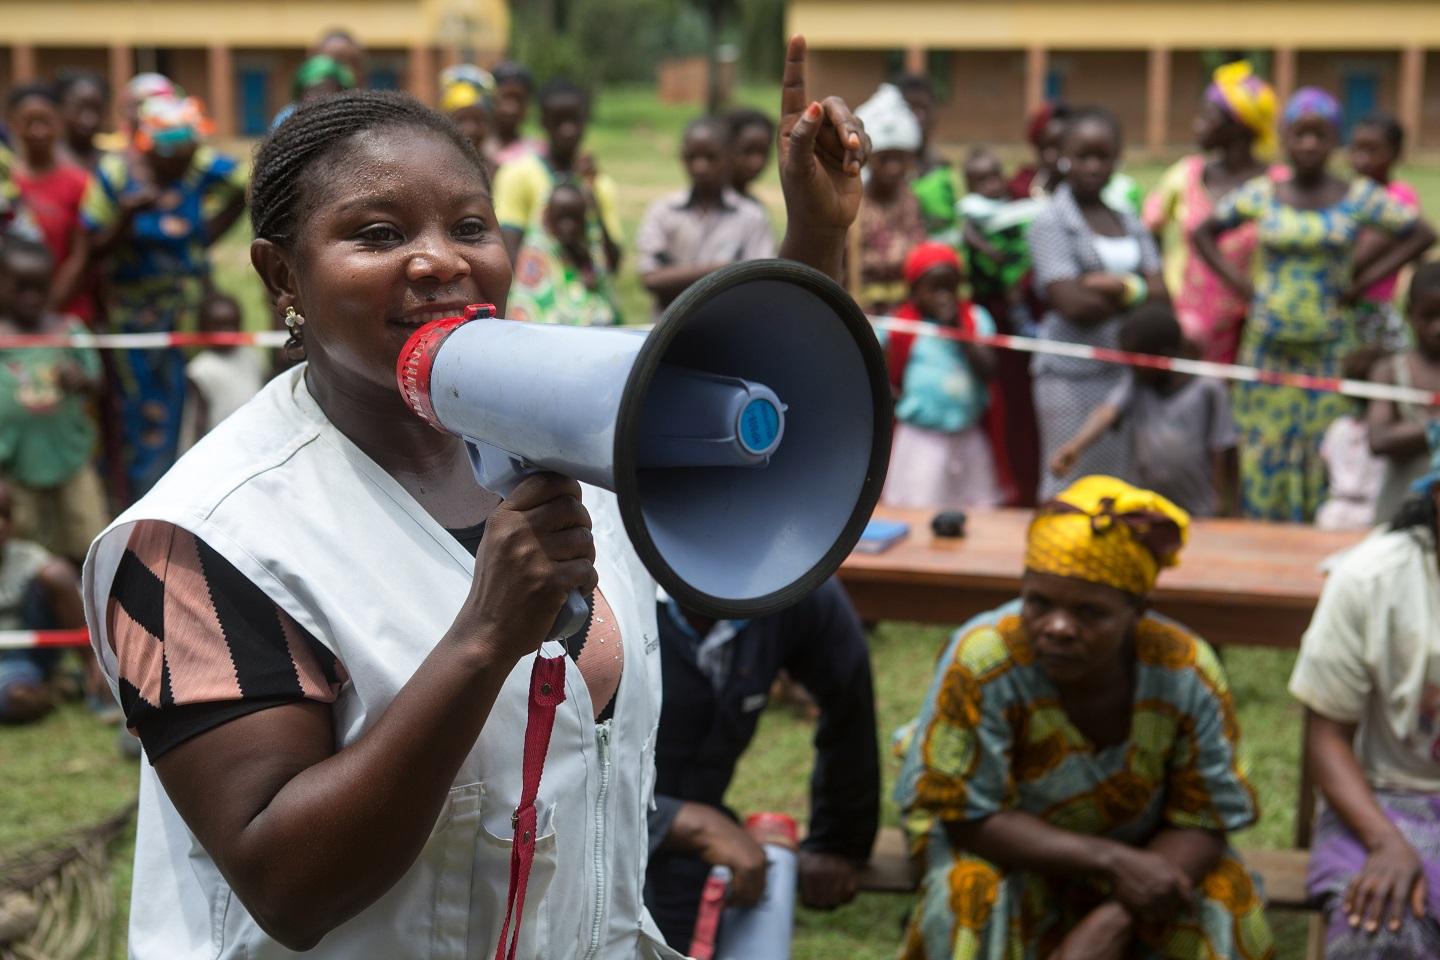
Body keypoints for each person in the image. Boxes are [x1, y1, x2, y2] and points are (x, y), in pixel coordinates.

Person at [83, 32, 871, 957]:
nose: (439, 262)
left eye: (469, 227)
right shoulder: (198, 541)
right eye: (378, 235)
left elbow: (758, 430)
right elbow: (288, 888)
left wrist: (815, 232)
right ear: (280, 274)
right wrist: (487, 636)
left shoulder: (562, 425)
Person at [894, 475, 1274, 960]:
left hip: (1146, 850)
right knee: (969, 892)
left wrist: (1114, 916)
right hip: (1002, 844)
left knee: (1224, 895)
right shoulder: (984, 661)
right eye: (1039, 603)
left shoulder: (1183, 670)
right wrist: (1113, 862)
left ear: (1138, 611)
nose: (1057, 628)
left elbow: (1204, 818)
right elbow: (968, 815)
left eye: (1091, 612)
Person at [1194, 88, 1436, 522]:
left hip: (1328, 350)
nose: (1308, 145)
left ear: (1334, 140)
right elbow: (1203, 232)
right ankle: (1261, 548)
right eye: (1299, 134)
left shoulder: (1356, 196)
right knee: (1263, 449)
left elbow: (1420, 233)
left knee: (1325, 451)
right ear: (1284, 137)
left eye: (1319, 135)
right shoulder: (1264, 193)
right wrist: (1242, 286)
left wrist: (1359, 282)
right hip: (1268, 349)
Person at [644, 579, 878, 948]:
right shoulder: (604, 592)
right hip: (592, 840)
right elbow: (551, 767)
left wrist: (837, 840)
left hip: (696, 845)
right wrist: (680, 821)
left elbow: (849, 699)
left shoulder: (795, 586)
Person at [1289, 431, 1440, 958]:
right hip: (1384, 798)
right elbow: (1327, 735)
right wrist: (1384, 841)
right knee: (1380, 927)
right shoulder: (1369, 579)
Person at [79, 93, 248, 499]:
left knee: (190, 401)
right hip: (132, 318)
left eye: (192, 151)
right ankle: (143, 500)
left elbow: (245, 182)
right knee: (140, 411)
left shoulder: (198, 168)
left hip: (187, 309)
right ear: (152, 148)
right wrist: (127, 216)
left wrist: (204, 235)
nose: (186, 162)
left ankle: (193, 497)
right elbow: (92, 246)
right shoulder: (117, 176)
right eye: (177, 155)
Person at [1027, 106, 1168, 500]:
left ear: (1117, 160)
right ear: (1063, 157)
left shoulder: (1127, 219)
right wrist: (1138, 294)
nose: (1093, 166)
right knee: (1068, 480)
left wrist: (1121, 289)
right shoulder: (1050, 221)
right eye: (1083, 155)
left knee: (1119, 488)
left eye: (1103, 156)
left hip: (1125, 375)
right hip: (1070, 376)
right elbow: (1072, 304)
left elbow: (1161, 296)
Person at [1143, 61, 1276, 365]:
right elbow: (1148, 228)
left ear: (1239, 124)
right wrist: (1158, 285)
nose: (1197, 125)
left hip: (1253, 326)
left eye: (1208, 116)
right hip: (1187, 325)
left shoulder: (1277, 186)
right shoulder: (1185, 175)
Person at [1050, 303, 1237, 517]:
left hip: (1198, 509)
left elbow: (1223, 448)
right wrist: (1075, 447)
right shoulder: (1136, 383)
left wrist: (1222, 502)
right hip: (1145, 509)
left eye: (1135, 360)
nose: (1130, 366)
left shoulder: (1208, 388)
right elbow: (1106, 413)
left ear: (1162, 357)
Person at [0, 237, 107, 564]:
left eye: (40, 287)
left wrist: (81, 379)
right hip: (14, 466)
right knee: (26, 545)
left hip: (70, 459)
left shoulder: (67, 330)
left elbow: (97, 385)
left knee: (88, 536)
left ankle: (85, 598)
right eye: (21, 287)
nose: (31, 297)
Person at [880, 241, 999, 510]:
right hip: (921, 439)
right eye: (934, 288)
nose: (943, 296)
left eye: (950, 287)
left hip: (968, 436)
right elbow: (878, 363)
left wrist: (960, 331)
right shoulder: (902, 326)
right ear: (915, 290)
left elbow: (989, 369)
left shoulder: (976, 319)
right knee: (920, 507)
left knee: (978, 510)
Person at [635, 116, 775, 317]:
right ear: (682, 158)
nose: (700, 167)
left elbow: (759, 283)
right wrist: (728, 270)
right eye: (692, 157)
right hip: (668, 333)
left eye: (711, 157)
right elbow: (651, 279)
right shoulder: (664, 211)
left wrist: (676, 277)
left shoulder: (751, 216)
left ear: (729, 157)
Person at [494, 79, 622, 274]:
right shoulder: (517, 174)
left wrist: (590, 196)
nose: (568, 130)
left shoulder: (599, 184)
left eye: (574, 121)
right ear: (543, 122)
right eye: (559, 121)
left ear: (585, 120)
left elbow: (613, 264)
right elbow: (508, 255)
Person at [6, 82, 96, 326]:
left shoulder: (79, 182)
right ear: (13, 124)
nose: (37, 131)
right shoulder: (5, 181)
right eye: (28, 122)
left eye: (45, 121)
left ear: (58, 123)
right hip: (11, 320)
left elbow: (80, 254)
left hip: (67, 312)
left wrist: (48, 308)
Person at [0, 481, 88, 724]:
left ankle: (93, 674)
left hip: (28, 652)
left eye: (4, 515)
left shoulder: (29, 557)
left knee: (56, 574)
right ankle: (60, 686)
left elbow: (65, 588)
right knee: (17, 699)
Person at [1368, 261, 1440, 526]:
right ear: (1410, 313)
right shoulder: (1390, 371)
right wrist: (1434, 428)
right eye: (1428, 316)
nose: (1437, 327)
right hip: (1402, 516)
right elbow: (1380, 438)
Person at [1350, 113, 1421, 352]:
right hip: (1343, 306)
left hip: (1375, 306)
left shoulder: (1398, 197)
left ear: (1396, 153)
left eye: (1372, 150)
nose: (1362, 159)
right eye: (1357, 149)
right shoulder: (1347, 194)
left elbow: (1362, 256)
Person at [853, 82, 926, 314]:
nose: (893, 168)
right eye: (884, 159)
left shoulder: (913, 200)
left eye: (900, 159)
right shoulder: (854, 205)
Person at [507, 183, 621, 327]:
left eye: (575, 218)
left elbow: (613, 267)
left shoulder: (588, 258)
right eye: (561, 218)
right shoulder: (535, 264)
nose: (569, 226)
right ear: (547, 218)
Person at [1315, 348, 1389, 531]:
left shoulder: (1338, 427)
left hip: (1333, 514)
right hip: (1371, 516)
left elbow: (1325, 466)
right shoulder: (1389, 434)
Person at [180, 292, 266, 449]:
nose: (227, 332)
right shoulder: (200, 368)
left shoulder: (252, 356)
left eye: (232, 324)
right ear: (203, 328)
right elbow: (197, 420)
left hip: (254, 440)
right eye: (219, 326)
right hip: (221, 446)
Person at [893, 72, 957, 242]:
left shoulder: (944, 169)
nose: (919, 117)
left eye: (924, 108)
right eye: (911, 108)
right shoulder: (883, 169)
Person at [272, 55, 357, 130]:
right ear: (302, 93)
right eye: (317, 90)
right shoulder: (287, 118)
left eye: (331, 90)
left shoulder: (350, 118)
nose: (323, 97)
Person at [1009, 101, 1070, 201]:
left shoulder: (1087, 188)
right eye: (1043, 147)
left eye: (1059, 146)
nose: (1051, 156)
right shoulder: (1021, 185)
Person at [440, 64, 496, 173]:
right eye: (461, 120)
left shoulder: (497, 171)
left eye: (477, 120)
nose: (470, 129)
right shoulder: (436, 169)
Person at [489, 61, 542, 170]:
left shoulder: (536, 153)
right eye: (505, 98)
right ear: (491, 99)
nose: (512, 108)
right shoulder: (475, 148)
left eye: (518, 99)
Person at [55, 70, 110, 174]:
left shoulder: (111, 164)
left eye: (96, 109)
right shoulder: (47, 163)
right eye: (79, 108)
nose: (89, 119)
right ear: (61, 108)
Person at [723, 106, 774, 201]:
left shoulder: (753, 208)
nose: (757, 162)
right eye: (748, 151)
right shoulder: (707, 204)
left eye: (763, 152)